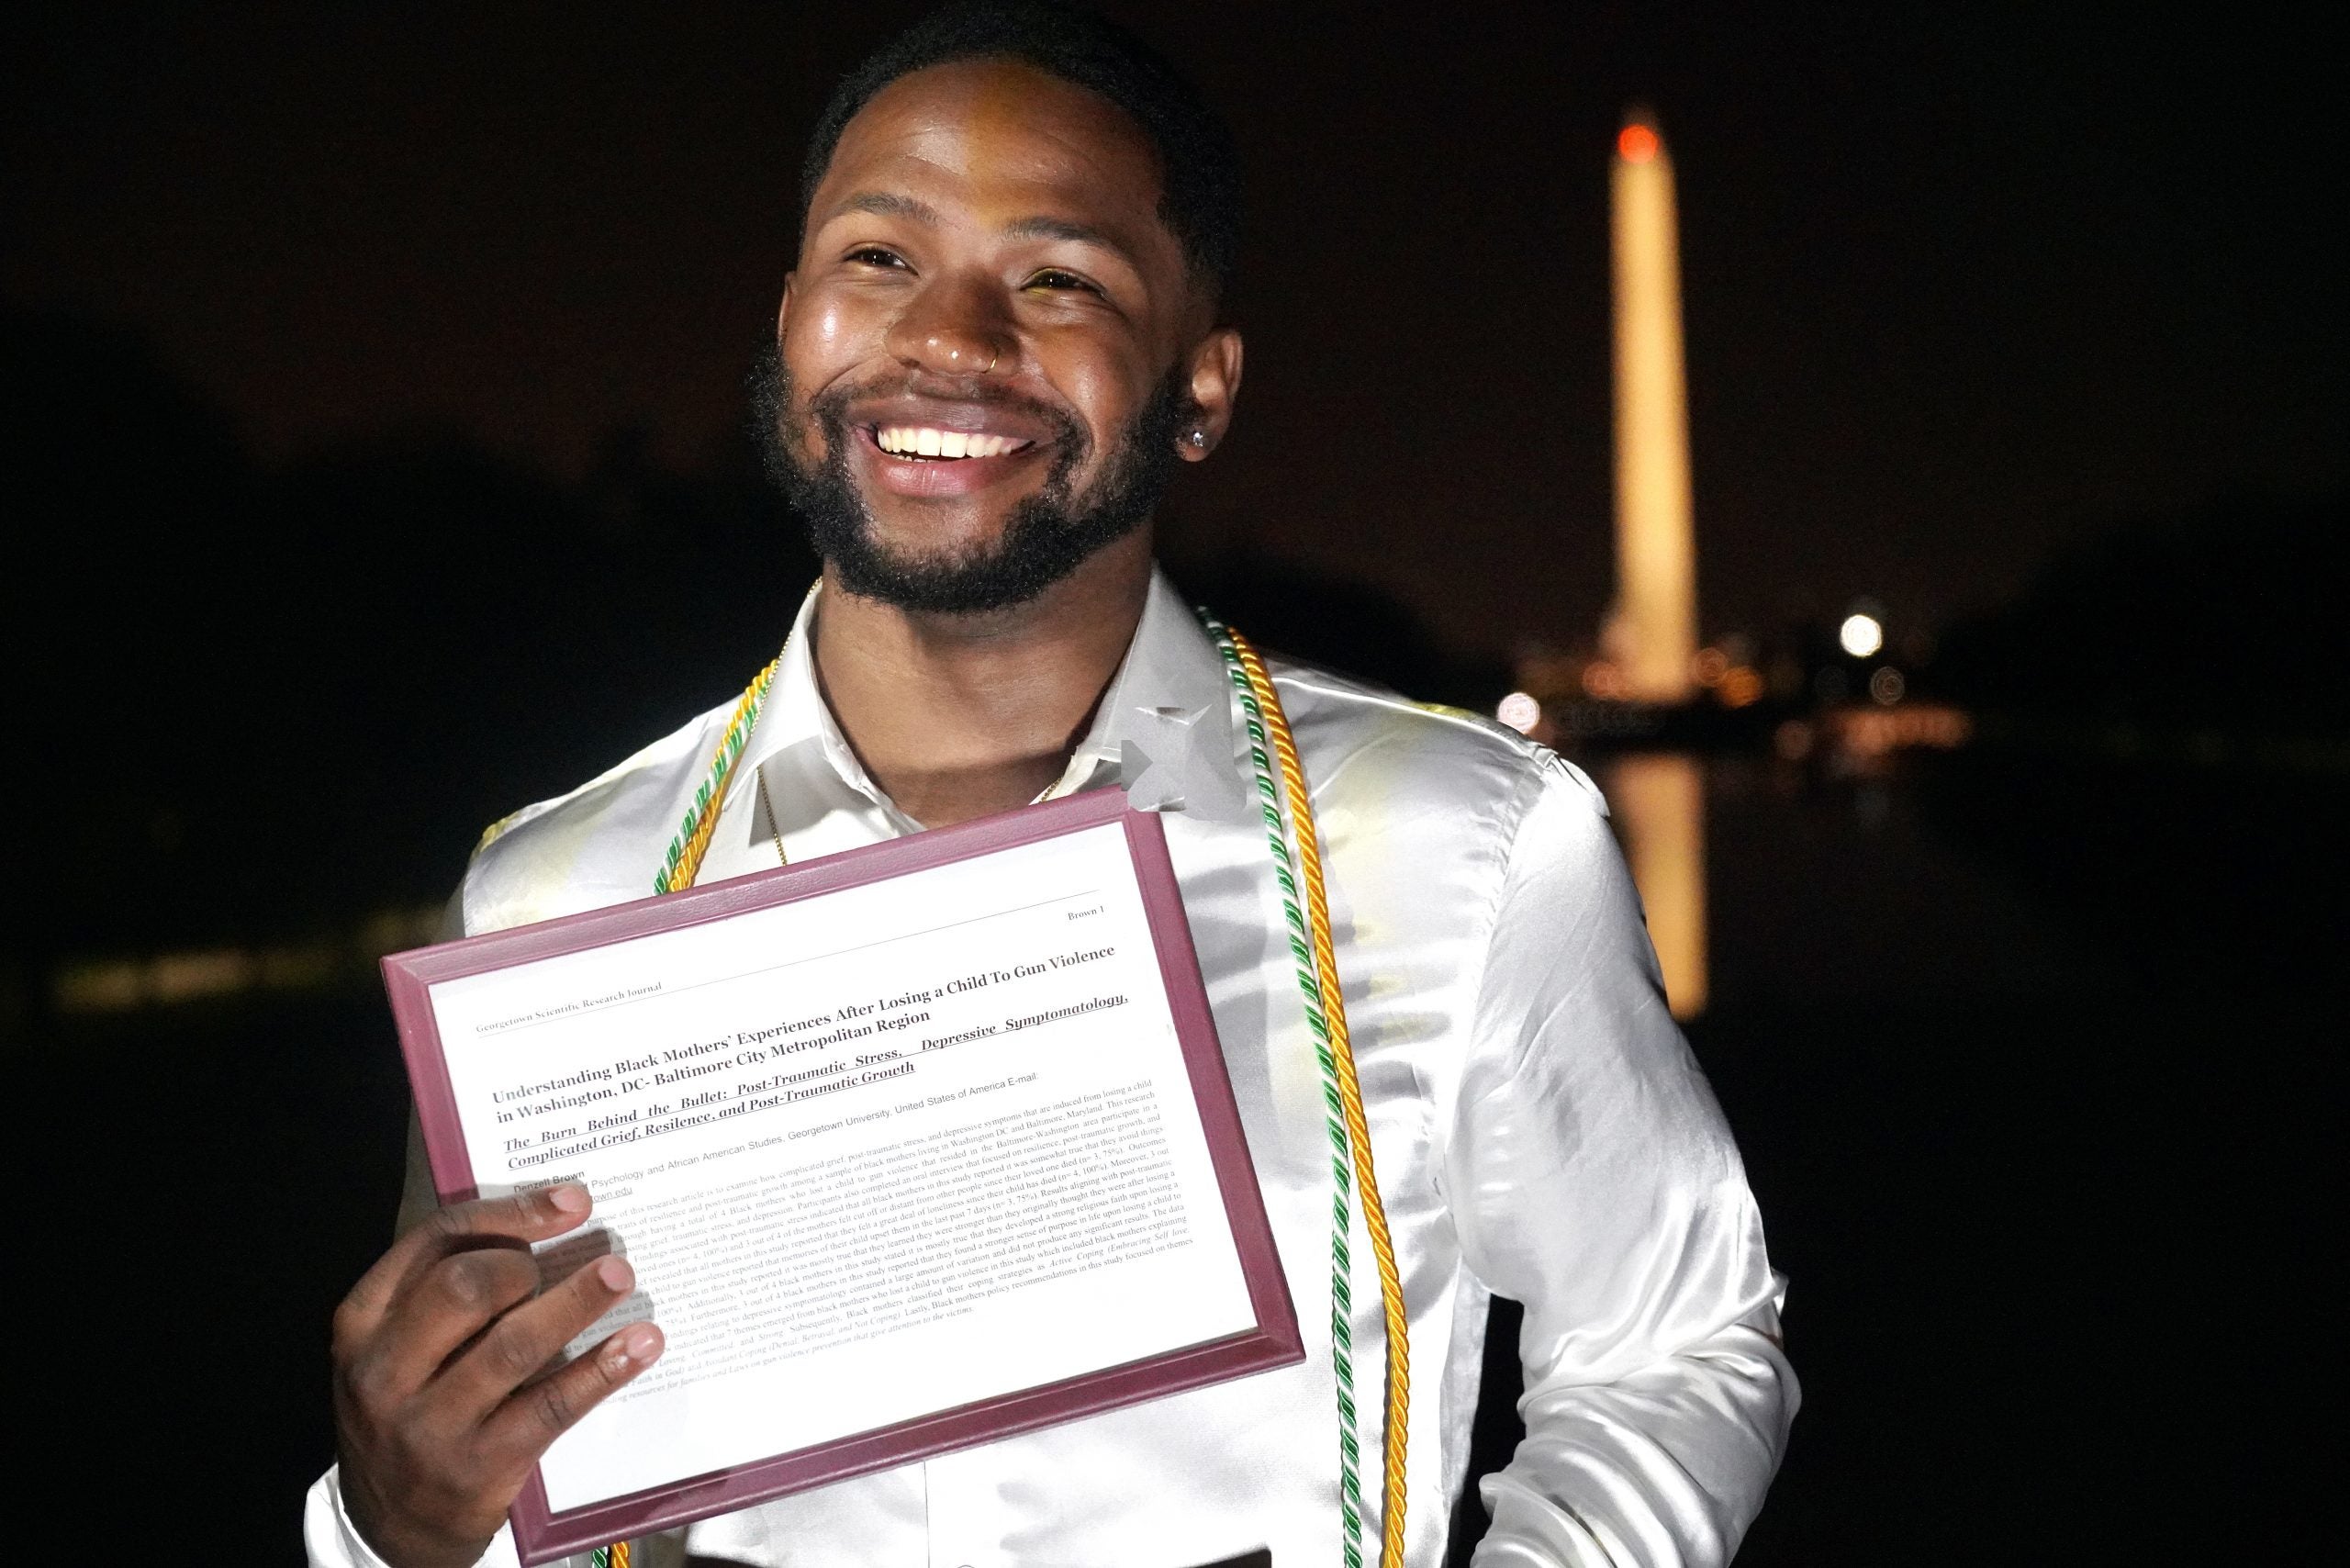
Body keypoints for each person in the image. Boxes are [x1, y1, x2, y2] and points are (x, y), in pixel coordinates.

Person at [308, 6, 1797, 1565]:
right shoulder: (555, 899)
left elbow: (1678, 1344)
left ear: (1201, 388)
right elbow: (497, 1490)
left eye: (1060, 278)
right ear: (793, 321)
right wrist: (387, 1521)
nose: (949, 337)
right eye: (877, 258)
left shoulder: (1461, 851)